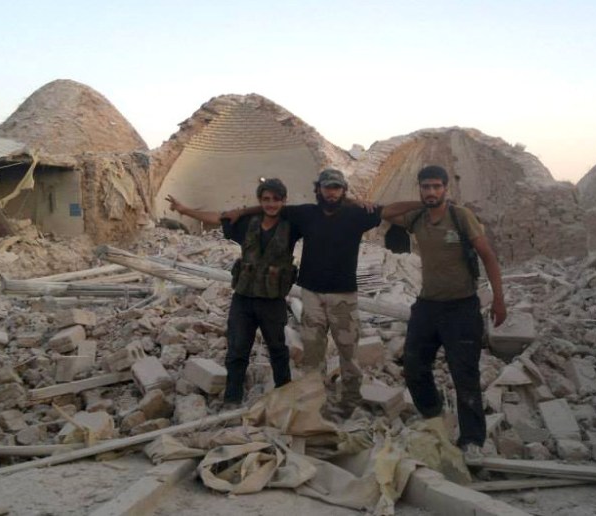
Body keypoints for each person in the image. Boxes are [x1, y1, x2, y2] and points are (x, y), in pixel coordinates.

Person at [225, 169, 421, 417]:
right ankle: (313, 402)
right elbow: (270, 207)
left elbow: (390, 210)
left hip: (344, 297)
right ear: (318, 189)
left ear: (343, 190)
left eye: (337, 188)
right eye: (327, 187)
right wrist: (240, 212)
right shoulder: (306, 213)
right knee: (312, 355)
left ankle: (348, 402)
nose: (331, 192)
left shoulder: (357, 214)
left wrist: (422, 202)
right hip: (312, 294)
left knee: (348, 354)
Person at [384, 165, 507, 464]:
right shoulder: (417, 217)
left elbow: (487, 255)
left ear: (446, 188)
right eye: (425, 187)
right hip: (427, 305)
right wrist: (420, 203)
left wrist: (499, 299)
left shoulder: (460, 216)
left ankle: (472, 439)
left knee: (464, 375)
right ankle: (433, 414)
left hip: (461, 307)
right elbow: (386, 212)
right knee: (413, 365)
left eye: (436, 187)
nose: (431, 192)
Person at [166, 178, 301, 407]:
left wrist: (249, 207)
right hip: (244, 299)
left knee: (278, 350)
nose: (271, 204)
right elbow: (217, 218)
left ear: (284, 201)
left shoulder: (293, 224)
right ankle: (232, 399)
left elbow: (313, 212)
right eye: (266, 199)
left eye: (276, 199)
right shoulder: (246, 223)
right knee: (238, 350)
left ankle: (284, 398)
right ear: (260, 200)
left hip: (272, 301)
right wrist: (185, 210)